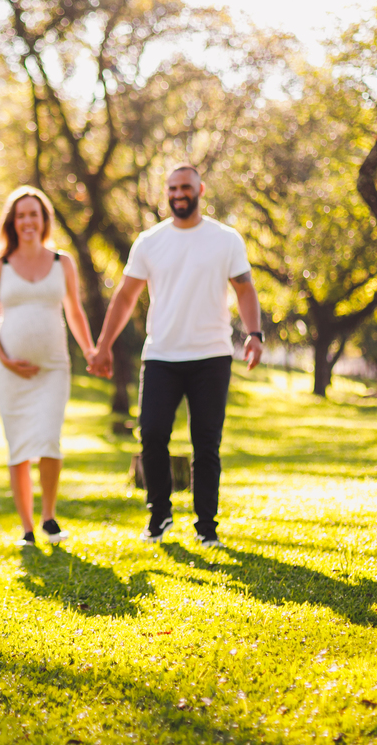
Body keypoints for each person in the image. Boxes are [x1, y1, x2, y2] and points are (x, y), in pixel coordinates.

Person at [88, 165, 263, 547]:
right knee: (151, 433)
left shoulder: (225, 239)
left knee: (206, 443)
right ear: (165, 193)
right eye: (172, 188)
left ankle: (206, 527)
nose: (178, 193)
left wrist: (254, 334)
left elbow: (245, 290)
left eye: (185, 187)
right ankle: (160, 514)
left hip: (211, 356)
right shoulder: (149, 242)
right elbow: (125, 297)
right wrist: (103, 346)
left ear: (200, 189)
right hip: (161, 355)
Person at [0, 186, 95, 546]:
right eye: (21, 215)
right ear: (12, 222)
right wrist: (6, 359)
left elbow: (74, 311)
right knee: (18, 446)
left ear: (44, 219)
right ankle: (27, 527)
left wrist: (90, 351)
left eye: (34, 214)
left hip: (52, 368)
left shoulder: (63, 262)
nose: (28, 221)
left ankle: (48, 516)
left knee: (48, 440)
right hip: (10, 372)